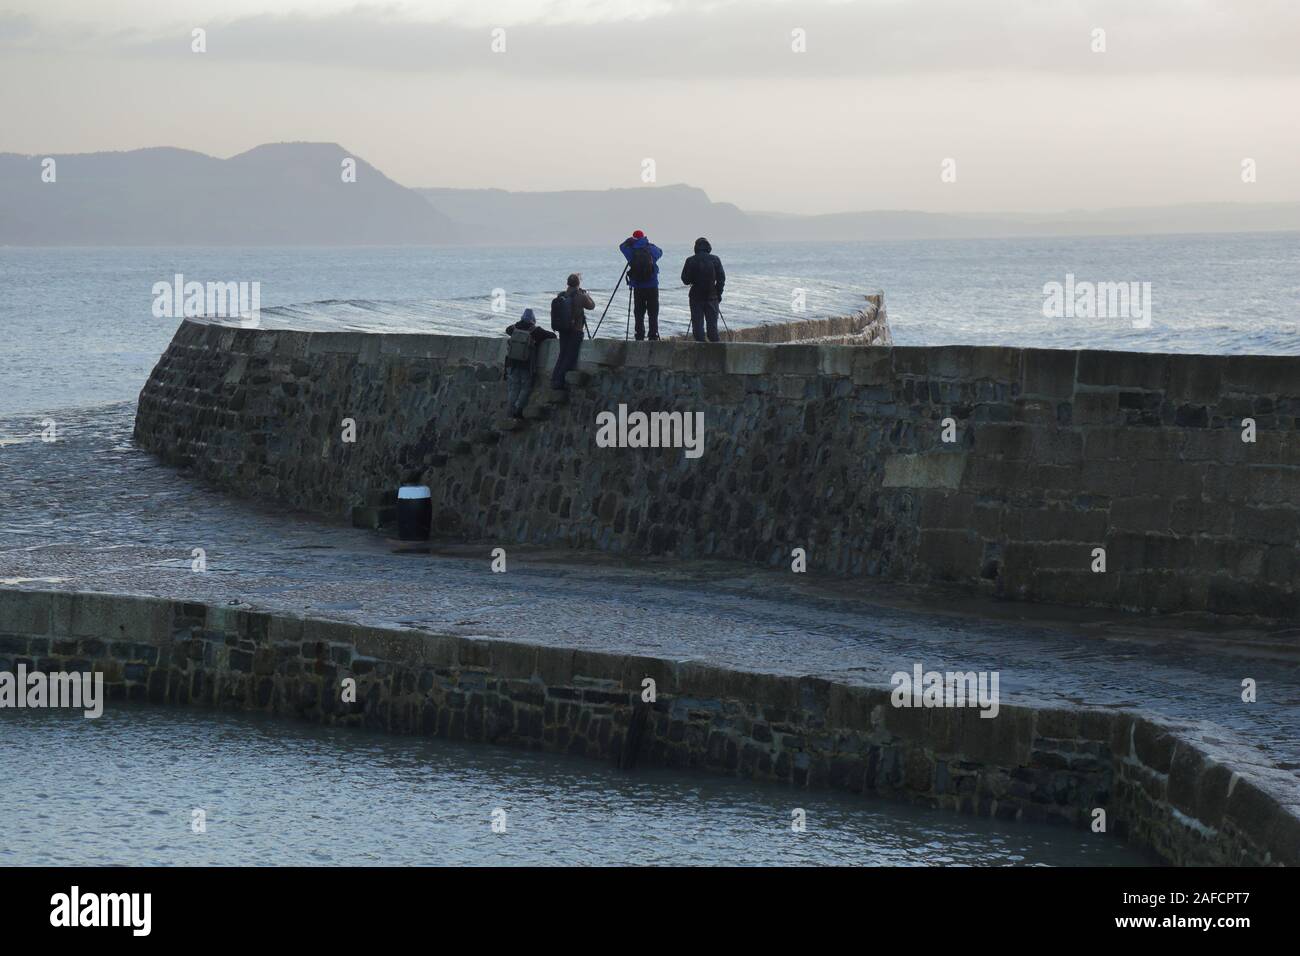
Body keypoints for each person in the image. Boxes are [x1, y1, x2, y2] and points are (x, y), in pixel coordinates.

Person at [503, 308, 556, 418]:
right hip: (526, 365)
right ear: (533, 319)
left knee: (513, 387)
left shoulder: (513, 328)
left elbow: (507, 330)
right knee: (525, 388)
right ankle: (518, 410)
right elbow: (553, 336)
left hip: (512, 363)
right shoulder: (536, 331)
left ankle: (510, 411)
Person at [550, 273, 595, 390]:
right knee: (570, 357)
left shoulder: (562, 295)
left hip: (563, 330)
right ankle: (559, 382)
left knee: (562, 354)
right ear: (578, 283)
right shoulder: (580, 296)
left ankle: (554, 379)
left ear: (567, 283)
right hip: (576, 331)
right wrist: (587, 295)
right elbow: (592, 306)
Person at [618, 229, 663, 340]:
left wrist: (629, 241)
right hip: (652, 285)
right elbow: (660, 251)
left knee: (639, 312)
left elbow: (621, 246)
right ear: (643, 237)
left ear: (633, 238)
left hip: (638, 286)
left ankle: (639, 335)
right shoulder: (651, 249)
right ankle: (653, 335)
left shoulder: (631, 250)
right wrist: (648, 242)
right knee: (653, 312)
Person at [680, 236, 726, 342]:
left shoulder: (690, 260)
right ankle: (716, 351)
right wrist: (718, 293)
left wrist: (693, 279)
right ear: (708, 247)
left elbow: (685, 279)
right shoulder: (715, 259)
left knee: (697, 326)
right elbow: (721, 278)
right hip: (712, 296)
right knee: (712, 327)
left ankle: (701, 349)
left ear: (696, 248)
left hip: (696, 297)